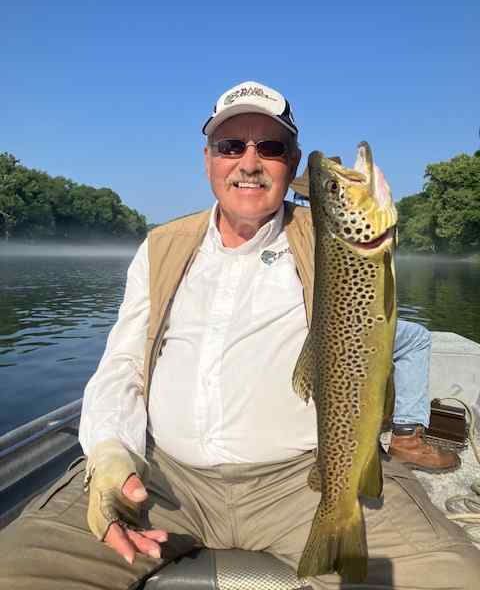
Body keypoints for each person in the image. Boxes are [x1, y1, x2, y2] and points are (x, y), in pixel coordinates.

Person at [1, 81, 479, 590]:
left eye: (269, 147)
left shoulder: (329, 238)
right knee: (16, 570)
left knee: (453, 578)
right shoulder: (160, 247)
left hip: (305, 478)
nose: (249, 162)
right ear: (208, 159)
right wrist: (111, 453)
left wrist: (364, 211)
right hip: (163, 478)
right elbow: (121, 365)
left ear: (292, 163)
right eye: (231, 146)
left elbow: (368, 261)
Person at [290, 174, 459, 473]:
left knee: (406, 337)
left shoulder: (290, 223)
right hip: (333, 327)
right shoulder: (328, 225)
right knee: (416, 338)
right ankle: (406, 437)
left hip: (318, 324)